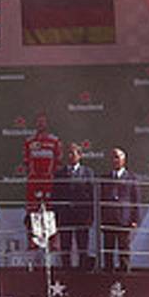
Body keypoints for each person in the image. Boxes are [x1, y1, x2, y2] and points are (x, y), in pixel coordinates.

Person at [98, 147, 142, 271]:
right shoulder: (104, 178)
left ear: (124, 159)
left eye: (117, 157)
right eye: (113, 157)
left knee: (124, 250)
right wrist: (101, 219)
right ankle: (107, 276)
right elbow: (101, 200)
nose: (115, 160)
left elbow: (136, 201)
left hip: (124, 220)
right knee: (108, 251)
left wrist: (135, 220)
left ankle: (125, 277)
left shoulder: (132, 178)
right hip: (108, 220)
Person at [21, 114, 63, 245]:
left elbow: (58, 163)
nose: (41, 125)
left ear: (47, 124)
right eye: (38, 122)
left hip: (49, 182)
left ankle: (52, 241)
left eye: (43, 122)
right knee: (33, 211)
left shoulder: (54, 141)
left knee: (51, 211)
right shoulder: (29, 142)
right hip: (34, 182)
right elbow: (26, 163)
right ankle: (33, 241)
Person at [53, 143, 97, 268]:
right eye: (69, 153)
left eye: (73, 153)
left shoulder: (88, 173)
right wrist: (56, 216)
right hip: (65, 215)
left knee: (82, 244)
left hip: (82, 215)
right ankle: (66, 269)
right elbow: (55, 196)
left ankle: (82, 270)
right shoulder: (59, 174)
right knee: (65, 244)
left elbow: (91, 196)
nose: (70, 156)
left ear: (80, 155)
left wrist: (90, 216)